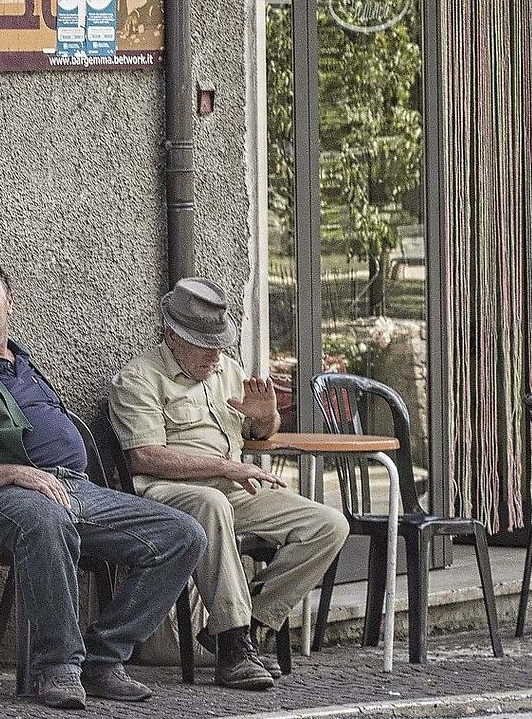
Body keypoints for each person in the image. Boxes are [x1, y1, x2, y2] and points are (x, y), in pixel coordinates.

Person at [0, 258, 205, 709]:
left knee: (181, 535)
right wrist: (17, 473)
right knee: (46, 521)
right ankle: (57, 669)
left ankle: (103, 659)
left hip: (74, 490)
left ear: (10, 304)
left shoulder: (23, 365)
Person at [109, 278, 352, 691]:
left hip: (230, 488)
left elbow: (259, 433)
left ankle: (248, 628)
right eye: (204, 344)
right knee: (210, 503)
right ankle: (234, 643)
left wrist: (265, 418)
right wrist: (226, 466)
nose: (215, 353)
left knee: (329, 524)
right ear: (171, 335)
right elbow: (145, 457)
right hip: (166, 495)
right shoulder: (138, 379)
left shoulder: (227, 371)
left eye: (219, 342)